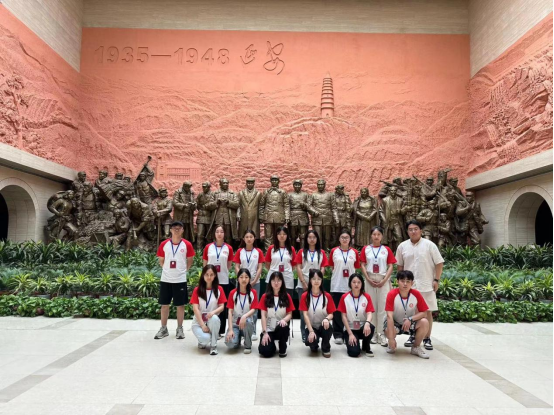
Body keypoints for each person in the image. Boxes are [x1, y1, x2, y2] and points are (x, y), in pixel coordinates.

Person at [396, 220, 444, 351]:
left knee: (427, 312)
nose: (413, 231)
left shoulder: (430, 245)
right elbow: (400, 266)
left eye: (416, 229)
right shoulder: (402, 246)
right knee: (412, 312)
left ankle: (427, 338)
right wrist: (400, 283)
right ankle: (413, 336)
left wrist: (436, 279)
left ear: (421, 231)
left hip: (426, 284)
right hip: (409, 286)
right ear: (407, 232)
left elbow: (439, 263)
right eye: (410, 229)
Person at [155, 221, 195, 340]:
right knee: (164, 304)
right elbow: (161, 260)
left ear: (182, 230)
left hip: (180, 279)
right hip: (166, 279)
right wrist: (167, 270)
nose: (177, 230)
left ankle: (179, 328)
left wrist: (183, 270)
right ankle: (163, 328)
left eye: (179, 228)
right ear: (171, 230)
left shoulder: (187, 244)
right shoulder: (164, 244)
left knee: (180, 305)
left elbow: (190, 260)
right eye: (174, 228)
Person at [360, 226, 397, 347]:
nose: (376, 237)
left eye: (378, 234)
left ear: (382, 236)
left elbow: (391, 266)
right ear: (371, 235)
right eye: (374, 234)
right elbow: (362, 264)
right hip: (370, 278)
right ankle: (373, 333)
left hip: (383, 279)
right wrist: (367, 279)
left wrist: (384, 280)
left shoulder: (386, 249)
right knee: (371, 307)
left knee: (382, 307)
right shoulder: (366, 249)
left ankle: (381, 333)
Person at [385, 271, 431, 359]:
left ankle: (415, 347)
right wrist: (391, 339)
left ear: (412, 283)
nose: (405, 284)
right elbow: (389, 316)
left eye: (408, 281)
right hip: (395, 322)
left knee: (424, 322)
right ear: (397, 281)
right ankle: (391, 345)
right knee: (387, 329)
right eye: (402, 281)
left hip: (410, 322)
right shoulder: (391, 294)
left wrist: (410, 319)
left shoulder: (416, 294)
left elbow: (424, 313)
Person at [294, 230, 329, 342]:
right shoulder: (301, 252)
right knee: (303, 310)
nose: (312, 239)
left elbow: (323, 267)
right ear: (306, 239)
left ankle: (316, 330)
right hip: (303, 284)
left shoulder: (321, 252)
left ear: (317, 239)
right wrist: (304, 283)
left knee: (316, 308)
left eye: (314, 237)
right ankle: (304, 332)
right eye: (309, 237)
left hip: (317, 285)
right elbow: (298, 267)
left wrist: (318, 280)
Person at [328, 230, 361, 345]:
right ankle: (338, 334)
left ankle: (349, 331)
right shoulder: (334, 251)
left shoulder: (354, 252)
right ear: (339, 239)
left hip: (351, 286)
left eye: (347, 237)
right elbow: (332, 266)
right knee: (337, 311)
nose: (344, 239)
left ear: (350, 239)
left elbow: (356, 267)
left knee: (350, 310)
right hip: (337, 285)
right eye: (342, 237)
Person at [233, 230, 265, 340]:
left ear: (254, 238)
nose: (249, 239)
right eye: (247, 237)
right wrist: (241, 278)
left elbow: (260, 267)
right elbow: (236, 266)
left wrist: (254, 280)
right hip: (241, 283)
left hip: (254, 283)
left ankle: (253, 330)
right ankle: (239, 329)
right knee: (240, 305)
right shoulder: (240, 251)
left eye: (251, 237)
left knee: (253, 307)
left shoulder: (258, 251)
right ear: (244, 239)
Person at [203, 225, 234, 336]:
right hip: (210, 280)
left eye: (221, 231)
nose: (219, 234)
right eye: (217, 231)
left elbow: (228, 265)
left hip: (223, 280)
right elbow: (205, 264)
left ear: (224, 233)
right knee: (210, 304)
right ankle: (208, 328)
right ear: (214, 234)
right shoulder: (208, 247)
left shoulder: (228, 248)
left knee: (222, 306)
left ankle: (220, 330)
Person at [190, 265, 228, 356]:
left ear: (215, 276)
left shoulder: (219, 289)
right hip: (199, 322)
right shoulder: (197, 290)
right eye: (207, 274)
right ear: (203, 275)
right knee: (205, 339)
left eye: (211, 275)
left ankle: (213, 346)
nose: (209, 277)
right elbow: (195, 309)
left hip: (212, 320)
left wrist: (213, 312)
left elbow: (222, 307)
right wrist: (202, 325)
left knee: (214, 318)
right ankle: (204, 340)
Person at [299, 270, 336, 358]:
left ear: (322, 281)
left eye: (319, 279)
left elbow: (331, 314)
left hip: (323, 325)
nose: (316, 281)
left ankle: (326, 347)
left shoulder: (327, 296)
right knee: (311, 343)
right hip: (311, 326)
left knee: (328, 328)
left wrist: (327, 319)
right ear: (310, 280)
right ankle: (314, 345)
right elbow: (305, 315)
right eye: (314, 279)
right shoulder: (305, 296)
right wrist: (311, 331)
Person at [338, 273, 376, 358]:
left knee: (371, 327)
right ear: (350, 283)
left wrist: (367, 323)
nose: (356, 284)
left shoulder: (366, 297)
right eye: (354, 282)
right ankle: (350, 339)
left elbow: (369, 313)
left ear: (362, 284)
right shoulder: (344, 297)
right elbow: (343, 317)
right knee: (354, 353)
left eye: (359, 282)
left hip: (362, 327)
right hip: (350, 328)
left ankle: (366, 346)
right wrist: (350, 334)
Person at [258, 272, 295, 358]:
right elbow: (263, 316)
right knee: (265, 352)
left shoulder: (287, 296)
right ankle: (272, 345)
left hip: (281, 326)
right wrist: (265, 332)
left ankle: (282, 346)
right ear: (270, 282)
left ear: (282, 282)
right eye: (273, 280)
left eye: (278, 280)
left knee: (283, 326)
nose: (276, 283)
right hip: (269, 328)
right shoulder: (265, 296)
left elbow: (290, 314)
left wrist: (284, 320)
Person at [225, 268, 259, 354]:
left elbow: (254, 309)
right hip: (235, 324)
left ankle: (248, 344)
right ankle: (237, 339)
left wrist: (244, 316)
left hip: (247, 323)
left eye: (246, 277)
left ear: (249, 279)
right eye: (241, 277)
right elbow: (230, 312)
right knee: (230, 343)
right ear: (238, 279)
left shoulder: (253, 292)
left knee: (247, 321)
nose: (244, 279)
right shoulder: (232, 293)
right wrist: (230, 330)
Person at [265, 226, 297, 296]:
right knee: (270, 298)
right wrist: (275, 270)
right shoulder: (271, 248)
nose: (282, 236)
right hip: (273, 276)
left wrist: (286, 271)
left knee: (287, 298)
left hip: (287, 277)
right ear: (276, 236)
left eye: (284, 234)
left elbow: (294, 265)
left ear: (287, 236)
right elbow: (267, 263)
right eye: (279, 234)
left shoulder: (291, 249)